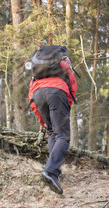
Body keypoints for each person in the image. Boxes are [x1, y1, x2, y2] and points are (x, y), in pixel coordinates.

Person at [29, 57, 77, 195]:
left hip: (38, 95)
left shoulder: (37, 73)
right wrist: (65, 108)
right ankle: (51, 171)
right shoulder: (65, 68)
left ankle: (53, 170)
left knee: (52, 133)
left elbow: (31, 98)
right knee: (63, 135)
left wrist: (41, 121)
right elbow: (72, 88)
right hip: (57, 92)